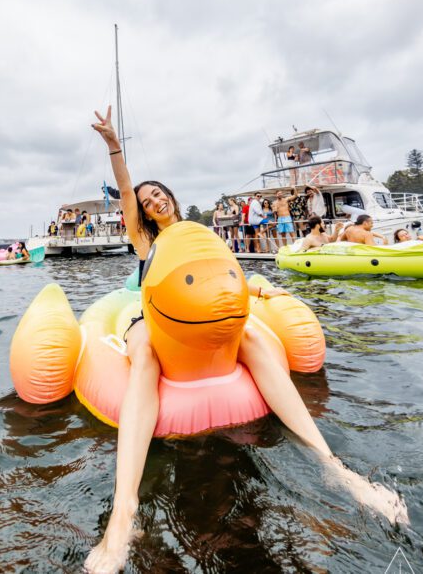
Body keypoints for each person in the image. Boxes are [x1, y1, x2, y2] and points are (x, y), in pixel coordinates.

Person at [84, 105, 406, 574]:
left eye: (159, 195)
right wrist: (115, 146)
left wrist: (259, 287)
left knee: (253, 337)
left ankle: (335, 469)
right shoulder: (145, 241)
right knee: (147, 355)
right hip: (156, 321)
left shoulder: (200, 232)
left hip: (211, 326)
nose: (153, 202)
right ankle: (122, 515)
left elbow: (224, 278)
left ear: (172, 198)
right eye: (146, 198)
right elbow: (129, 196)